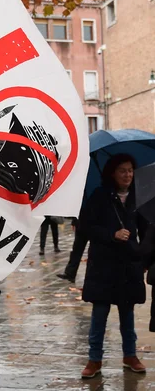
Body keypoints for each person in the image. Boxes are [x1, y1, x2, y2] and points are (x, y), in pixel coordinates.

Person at [80, 153, 147, 379]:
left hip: (129, 266)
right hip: (103, 266)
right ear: (112, 173)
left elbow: (147, 230)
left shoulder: (139, 196)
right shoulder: (100, 196)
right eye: (122, 171)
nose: (127, 175)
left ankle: (130, 355)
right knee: (99, 315)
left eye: (130, 170)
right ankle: (94, 359)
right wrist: (112, 234)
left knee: (127, 315)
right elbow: (87, 227)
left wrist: (143, 256)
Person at [57, 215, 89, 283]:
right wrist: (74, 222)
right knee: (76, 250)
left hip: (95, 224)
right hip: (81, 224)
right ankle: (70, 273)